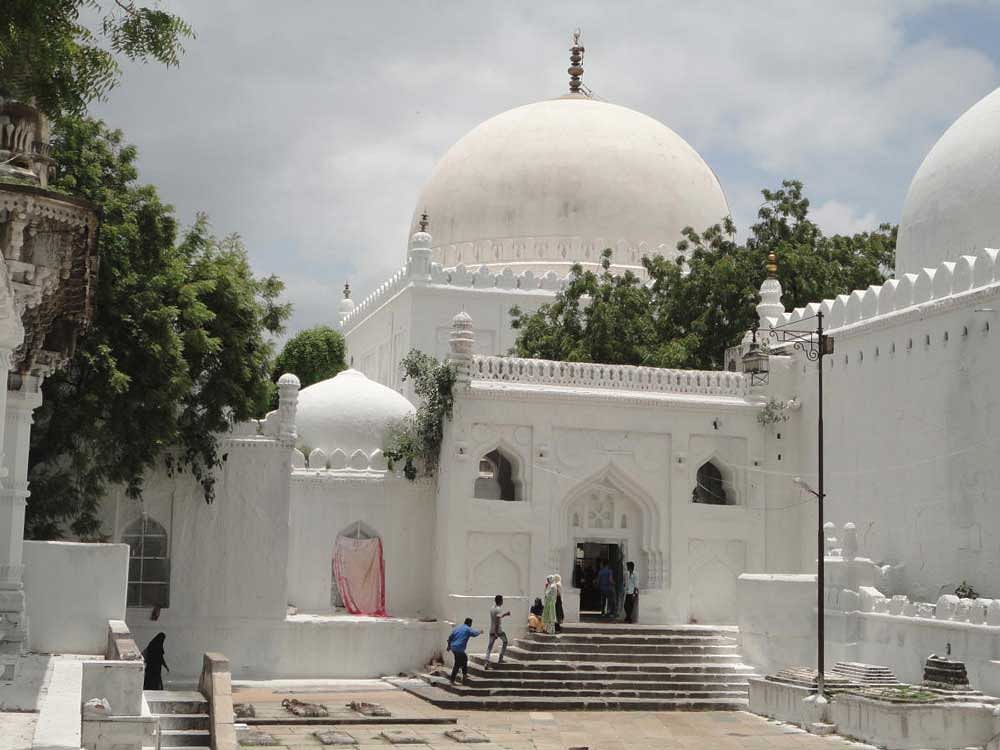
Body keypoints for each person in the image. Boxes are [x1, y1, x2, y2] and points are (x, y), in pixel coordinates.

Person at [446, 617, 481, 684]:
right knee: (458, 663)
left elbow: (450, 637)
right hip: (459, 648)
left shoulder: (458, 627)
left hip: (453, 647)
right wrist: (480, 632)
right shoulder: (468, 629)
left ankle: (464, 676)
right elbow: (474, 634)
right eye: (471, 623)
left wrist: (448, 646)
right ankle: (453, 680)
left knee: (464, 659)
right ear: (469, 623)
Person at [484, 594, 511, 669]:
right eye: (502, 600)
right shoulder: (498, 609)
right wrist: (496, 633)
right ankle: (501, 658)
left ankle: (486, 662)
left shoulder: (492, 608)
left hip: (491, 630)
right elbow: (497, 620)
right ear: (500, 601)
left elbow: (498, 616)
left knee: (489, 647)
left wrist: (505, 614)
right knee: (505, 641)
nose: (503, 601)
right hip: (498, 630)